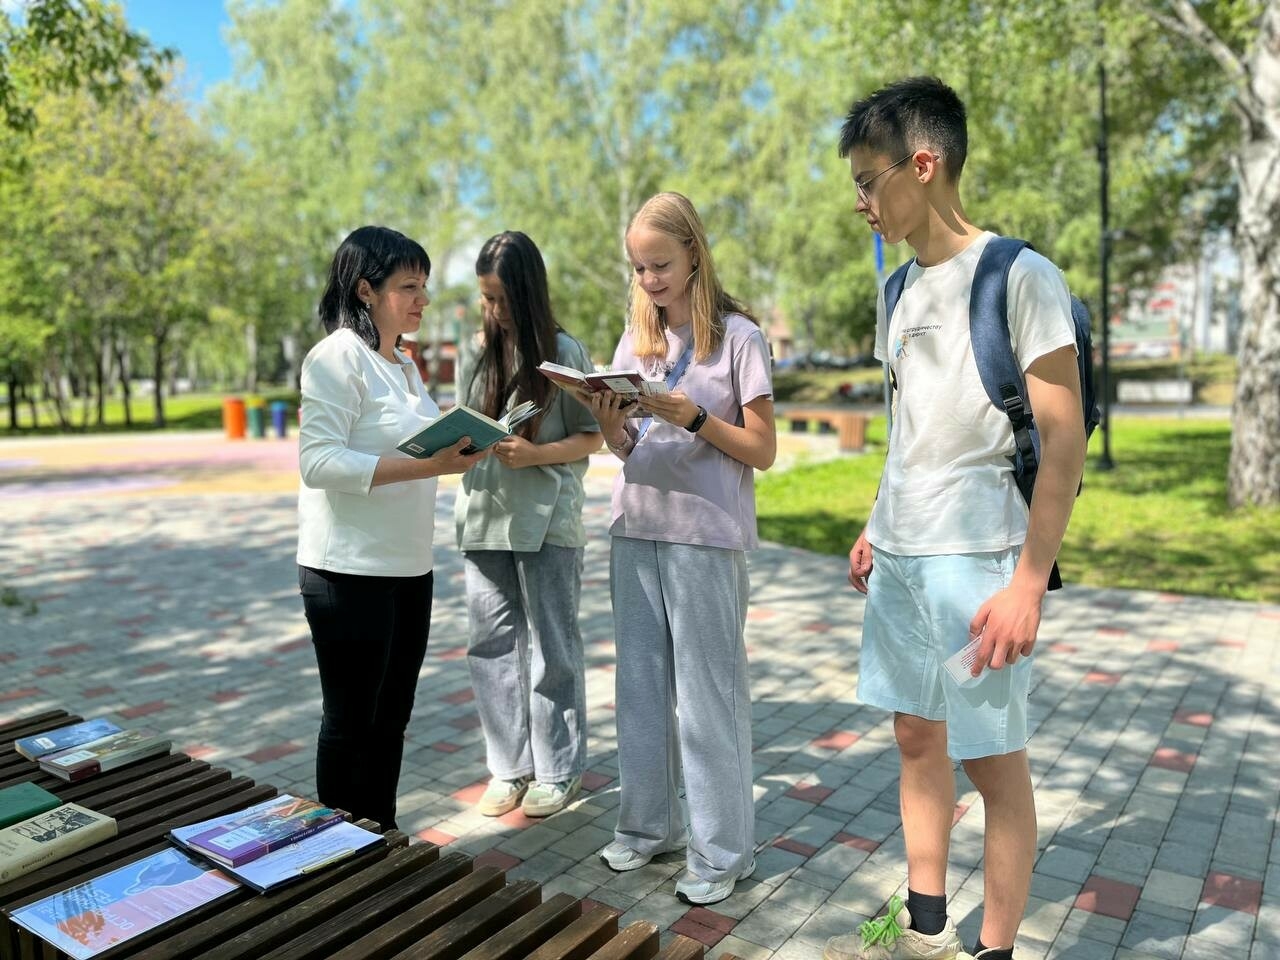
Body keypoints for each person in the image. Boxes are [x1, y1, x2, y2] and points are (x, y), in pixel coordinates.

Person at [823, 78, 1087, 960]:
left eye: (869, 180)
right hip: (900, 554)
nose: (860, 200)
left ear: (922, 165)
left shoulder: (1020, 276)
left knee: (992, 762)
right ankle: (924, 919)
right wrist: (874, 518)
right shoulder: (896, 290)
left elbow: (1061, 440)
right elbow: (910, 426)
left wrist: (1027, 586)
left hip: (980, 557)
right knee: (914, 735)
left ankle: (997, 947)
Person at [586, 191, 776, 906]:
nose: (649, 280)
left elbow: (762, 450)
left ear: (694, 252)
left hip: (705, 536)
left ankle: (725, 850)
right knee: (639, 690)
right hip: (636, 525)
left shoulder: (739, 339)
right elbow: (629, 446)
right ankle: (648, 828)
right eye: (638, 268)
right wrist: (610, 426)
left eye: (660, 264)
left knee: (707, 700)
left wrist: (694, 415)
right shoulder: (635, 339)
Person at [296, 225, 486, 831]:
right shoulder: (336, 358)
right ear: (365, 290)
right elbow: (317, 461)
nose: (422, 300)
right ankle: (339, 853)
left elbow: (413, 452)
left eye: (424, 286)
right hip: (347, 571)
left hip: (410, 570)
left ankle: (379, 839)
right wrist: (429, 464)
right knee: (351, 723)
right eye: (409, 286)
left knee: (391, 720)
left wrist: (453, 451)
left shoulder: (401, 364)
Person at [456, 230, 602, 818]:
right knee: (490, 645)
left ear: (527, 292)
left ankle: (558, 769)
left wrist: (535, 453)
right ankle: (508, 767)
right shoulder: (476, 350)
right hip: (484, 515)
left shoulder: (565, 353)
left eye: (501, 298)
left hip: (547, 522)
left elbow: (595, 435)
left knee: (553, 647)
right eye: (485, 298)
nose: (493, 311)